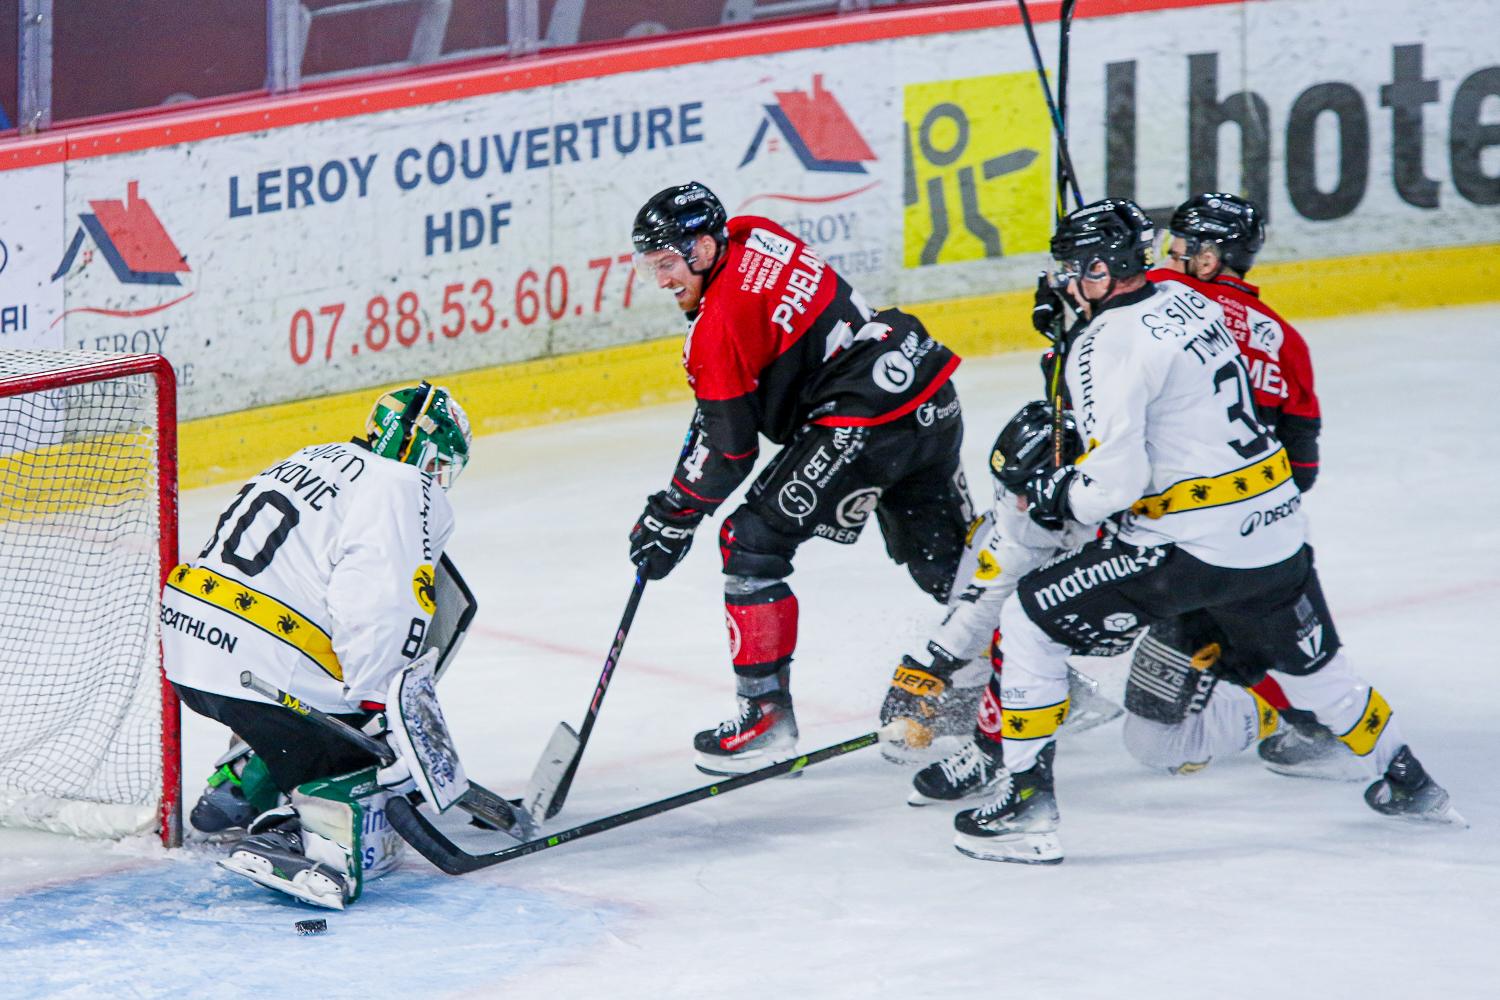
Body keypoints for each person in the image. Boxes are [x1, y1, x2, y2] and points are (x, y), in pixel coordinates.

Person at [950, 199, 1461, 864]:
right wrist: (1077, 334)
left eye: (1074, 268)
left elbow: (1113, 485)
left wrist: (1056, 494)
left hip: (1192, 545)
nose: (1066, 279)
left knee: (1029, 616)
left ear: (1102, 269)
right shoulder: (1187, 302)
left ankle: (1025, 806)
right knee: (1318, 671)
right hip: (1276, 530)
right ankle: (1409, 781)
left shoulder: (1107, 345)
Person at [627, 181, 976, 775]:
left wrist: (674, 513)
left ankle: (764, 717)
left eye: (666, 264)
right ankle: (1023, 676)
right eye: (651, 266)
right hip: (924, 387)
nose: (661, 280)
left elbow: (731, 451)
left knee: (750, 542)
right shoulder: (757, 233)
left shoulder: (717, 327)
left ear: (704, 249)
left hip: (863, 423)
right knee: (945, 561)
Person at [164, 381, 475, 907]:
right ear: (421, 450)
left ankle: (241, 783)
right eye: (439, 464)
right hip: (260, 664)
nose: (438, 478)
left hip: (191, 648)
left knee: (303, 697)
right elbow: (380, 602)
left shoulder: (315, 457)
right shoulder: (401, 484)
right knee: (359, 747)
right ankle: (295, 836)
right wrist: (379, 708)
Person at [1120, 192, 1359, 779]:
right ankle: (1299, 711)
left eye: (1176, 247)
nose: (1167, 257)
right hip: (1257, 535)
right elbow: (1302, 470)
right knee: (1246, 637)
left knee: (1154, 734)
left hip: (1163, 531)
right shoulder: (1285, 340)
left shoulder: (1159, 297)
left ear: (1206, 258)